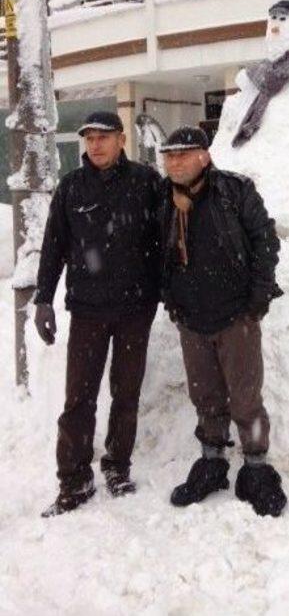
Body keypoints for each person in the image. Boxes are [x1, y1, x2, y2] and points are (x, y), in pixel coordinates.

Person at [34, 111, 161, 517]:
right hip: (87, 311)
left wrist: (165, 291)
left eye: (103, 137)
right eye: (89, 138)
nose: (95, 145)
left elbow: (163, 239)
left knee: (126, 394)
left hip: (134, 309)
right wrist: (42, 299)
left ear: (121, 140)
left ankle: (117, 467)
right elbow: (53, 246)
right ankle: (74, 480)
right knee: (79, 399)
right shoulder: (71, 188)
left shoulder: (145, 182)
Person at [158, 126, 287, 517]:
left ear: (204, 156)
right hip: (192, 319)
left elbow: (266, 241)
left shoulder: (235, 191)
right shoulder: (163, 199)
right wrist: (171, 300)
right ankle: (212, 462)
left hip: (236, 316)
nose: (175, 162)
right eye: (169, 155)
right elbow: (155, 254)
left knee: (246, 398)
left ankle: (257, 469)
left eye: (183, 154)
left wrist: (259, 297)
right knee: (206, 397)